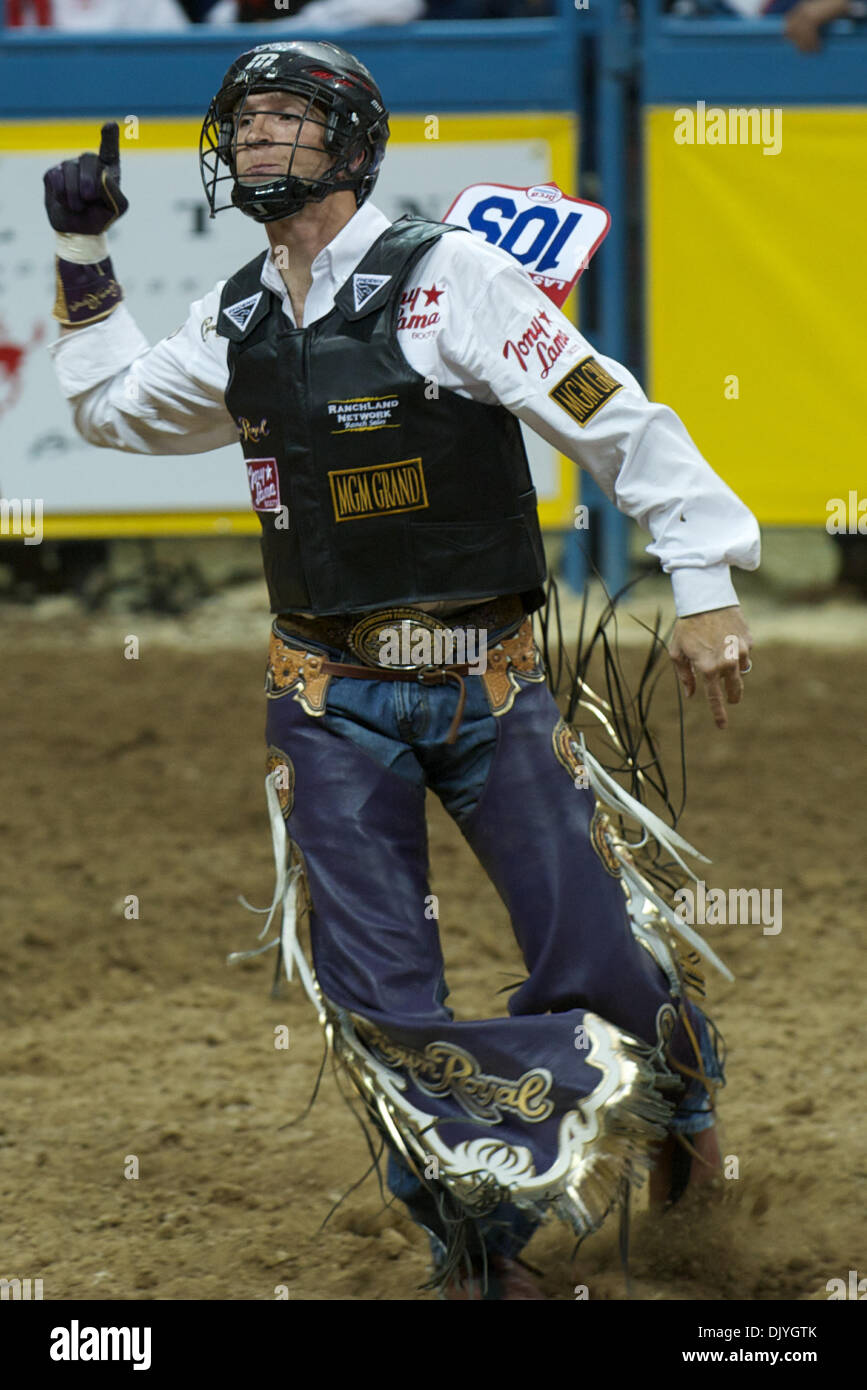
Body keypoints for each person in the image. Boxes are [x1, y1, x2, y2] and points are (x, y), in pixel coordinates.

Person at [44, 39, 759, 1300]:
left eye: (285, 118)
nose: (256, 138)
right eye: (244, 120)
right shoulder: (242, 312)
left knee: (591, 960)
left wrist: (703, 581)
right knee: (384, 1002)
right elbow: (116, 413)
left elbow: (614, 415)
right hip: (325, 703)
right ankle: (478, 1254)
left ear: (352, 143)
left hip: (489, 685)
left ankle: (677, 1089)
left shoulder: (454, 279)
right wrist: (88, 262)